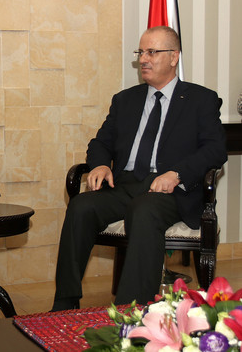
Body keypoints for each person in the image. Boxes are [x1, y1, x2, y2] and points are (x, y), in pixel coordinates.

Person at [51, 26, 227, 310]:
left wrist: (177, 173)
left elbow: (215, 149)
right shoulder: (126, 100)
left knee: (143, 210)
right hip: (125, 185)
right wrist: (99, 165)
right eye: (141, 52)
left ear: (173, 57)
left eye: (152, 52)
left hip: (168, 192)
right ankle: (64, 304)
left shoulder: (200, 100)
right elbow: (101, 141)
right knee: (82, 206)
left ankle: (130, 311)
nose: (144, 59)